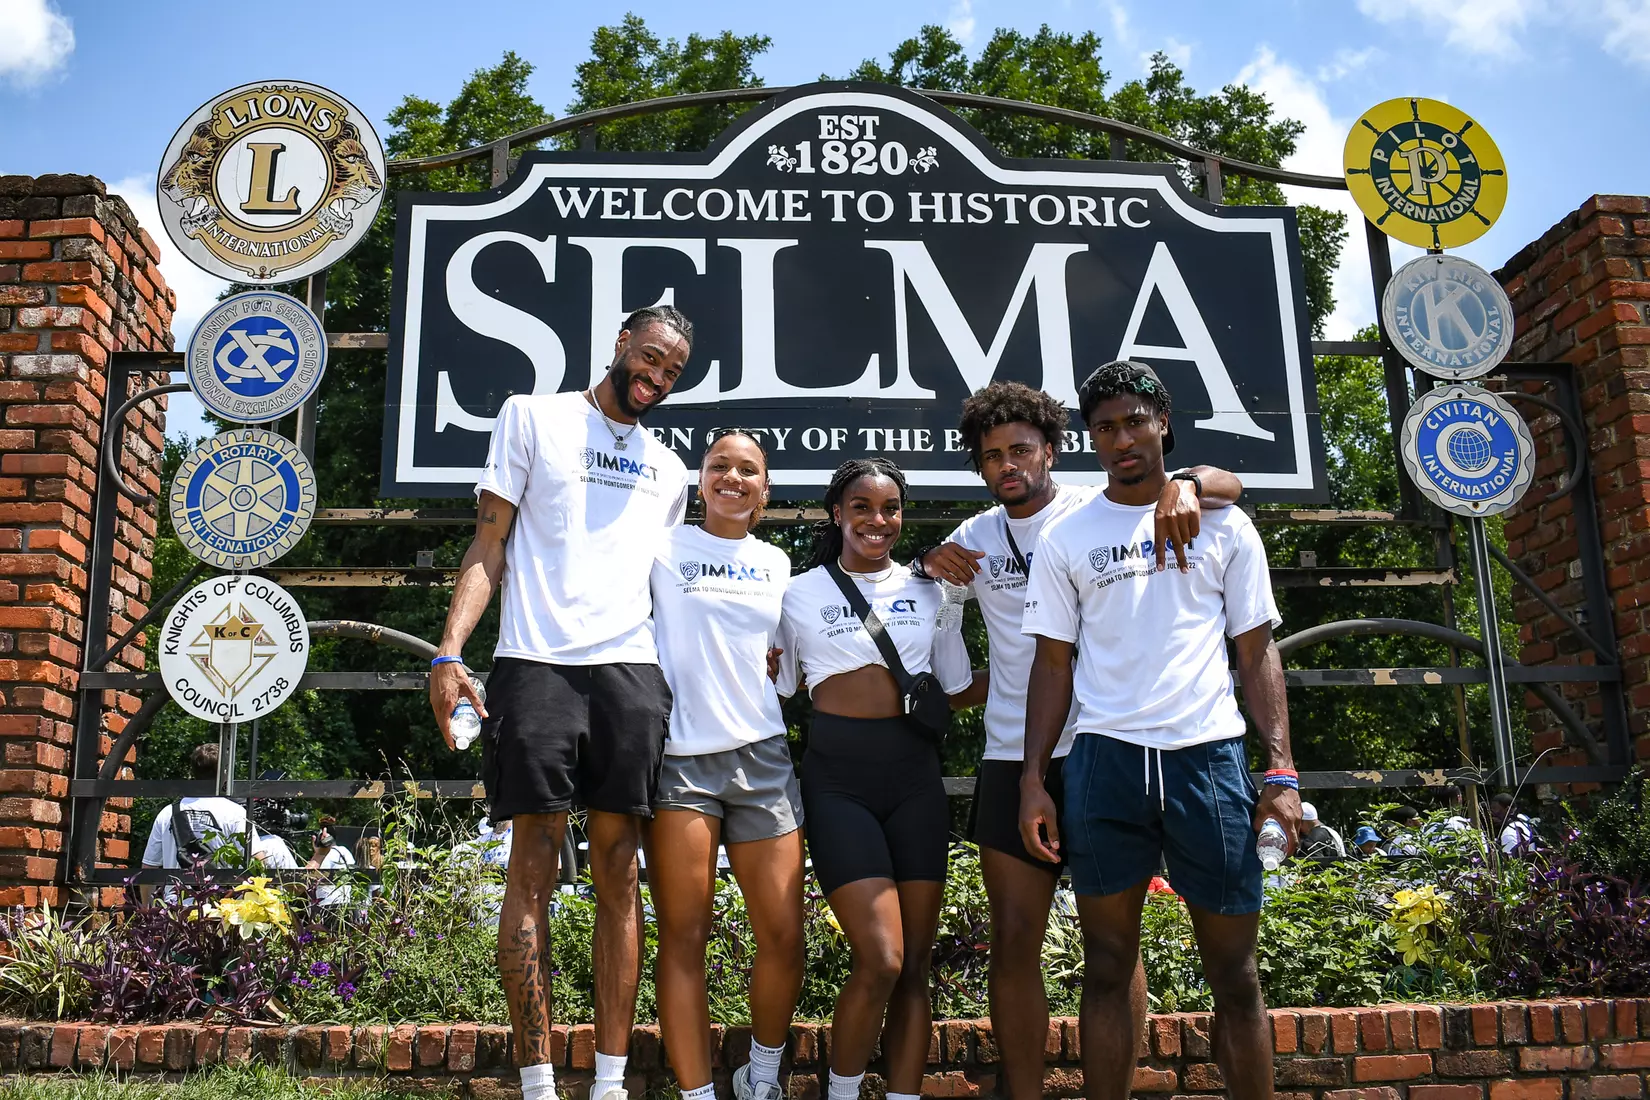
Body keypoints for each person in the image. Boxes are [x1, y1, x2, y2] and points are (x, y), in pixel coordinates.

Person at [909, 380, 1243, 1100]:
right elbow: (921, 604)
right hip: (1012, 755)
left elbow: (1225, 481)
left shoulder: (1096, 512)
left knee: (1113, 948)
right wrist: (927, 566)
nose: (1009, 466)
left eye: (1022, 450)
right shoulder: (973, 538)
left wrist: (1184, 480)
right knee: (1014, 937)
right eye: (993, 456)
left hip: (1102, 746)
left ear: (1054, 451)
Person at [428, 305, 694, 1100]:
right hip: (536, 664)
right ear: (619, 342)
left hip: (631, 672)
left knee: (620, 870)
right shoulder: (531, 417)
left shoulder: (671, 468)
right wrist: (449, 652)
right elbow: (489, 542)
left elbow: (670, 590)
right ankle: (539, 1080)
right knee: (531, 867)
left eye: (672, 371)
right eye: (648, 357)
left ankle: (610, 1083)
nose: (655, 376)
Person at [1020, 360, 1300, 1100]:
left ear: (1164, 423)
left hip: (1205, 756)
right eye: (1105, 427)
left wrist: (1280, 773)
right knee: (1107, 967)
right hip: (1103, 762)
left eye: (1134, 422)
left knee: (1235, 974)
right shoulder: (1067, 538)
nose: (1121, 439)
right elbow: (1052, 665)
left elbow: (1256, 650)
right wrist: (1031, 781)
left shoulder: (1225, 523)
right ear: (1089, 437)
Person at [777, 458, 981, 1100]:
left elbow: (953, 689)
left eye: (890, 508)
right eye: (861, 507)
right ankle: (841, 1091)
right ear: (837, 513)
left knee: (916, 966)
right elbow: (778, 684)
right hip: (838, 783)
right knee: (882, 957)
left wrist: (1041, 672)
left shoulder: (933, 591)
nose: (877, 520)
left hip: (916, 781)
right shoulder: (797, 593)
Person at [647, 432, 801, 1100]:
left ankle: (760, 1077)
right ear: (698, 481)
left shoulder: (779, 563)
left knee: (785, 935)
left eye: (747, 470)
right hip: (681, 762)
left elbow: (791, 668)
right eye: (719, 467)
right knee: (685, 937)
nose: (732, 477)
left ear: (764, 491)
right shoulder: (659, 546)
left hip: (763, 758)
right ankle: (697, 1093)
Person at [139, 743, 249, 903]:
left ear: (194, 772)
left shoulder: (167, 813)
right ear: (225, 773)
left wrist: (146, 911)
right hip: (222, 913)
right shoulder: (235, 813)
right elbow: (258, 863)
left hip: (175, 913)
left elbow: (148, 870)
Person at [307, 817, 356, 911]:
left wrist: (318, 853)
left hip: (327, 904)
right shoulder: (345, 851)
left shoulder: (327, 855)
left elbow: (312, 877)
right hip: (345, 903)